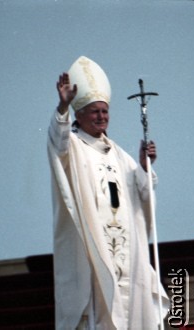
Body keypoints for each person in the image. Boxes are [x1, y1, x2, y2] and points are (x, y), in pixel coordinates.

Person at [47, 56, 168, 329]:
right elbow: (58, 143)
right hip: (93, 250)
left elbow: (142, 197)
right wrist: (63, 106)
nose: (102, 117)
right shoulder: (75, 148)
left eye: (105, 111)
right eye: (94, 111)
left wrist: (145, 168)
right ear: (79, 115)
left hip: (127, 253)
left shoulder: (120, 155)